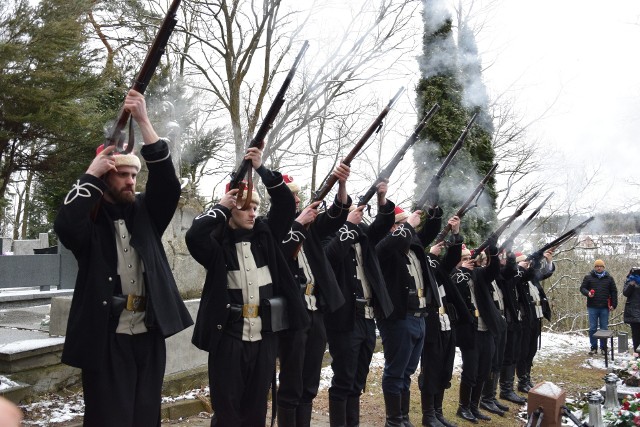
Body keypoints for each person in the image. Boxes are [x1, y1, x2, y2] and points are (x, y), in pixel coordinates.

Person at [54, 89, 193, 426]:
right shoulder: (91, 217)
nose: (132, 181)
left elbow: (168, 186)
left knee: (146, 418)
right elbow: (67, 226)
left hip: (148, 335)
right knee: (108, 418)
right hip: (106, 339)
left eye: (134, 175)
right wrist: (91, 174)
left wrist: (144, 120)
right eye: (123, 175)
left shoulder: (146, 211)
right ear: (105, 178)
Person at [186, 147, 309, 427]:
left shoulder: (267, 237)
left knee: (256, 411)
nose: (253, 213)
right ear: (232, 210)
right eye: (246, 208)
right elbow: (194, 236)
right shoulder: (217, 247)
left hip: (264, 338)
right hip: (228, 338)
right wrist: (221, 206)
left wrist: (262, 169)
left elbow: (285, 205)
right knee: (227, 412)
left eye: (255, 208)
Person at [276, 170, 350, 427]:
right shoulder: (270, 227)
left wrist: (341, 184)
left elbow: (338, 215)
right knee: (291, 383)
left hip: (316, 309)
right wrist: (297, 225)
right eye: (291, 197)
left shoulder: (311, 228)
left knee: (309, 383)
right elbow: (278, 258)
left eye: (297, 197)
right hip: (292, 313)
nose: (297, 202)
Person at [323, 182, 395, 427]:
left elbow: (384, 225)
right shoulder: (329, 235)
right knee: (343, 380)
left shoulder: (362, 235)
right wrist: (348, 226)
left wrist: (382, 198)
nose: (356, 215)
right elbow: (330, 257)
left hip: (367, 317)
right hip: (344, 319)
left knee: (357, 381)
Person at [375, 205, 440, 427]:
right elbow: (389, 244)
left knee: (407, 372)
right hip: (399, 318)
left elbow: (429, 233)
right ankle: (394, 422)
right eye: (403, 225)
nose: (409, 230)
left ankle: (403, 418)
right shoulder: (384, 246)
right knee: (395, 372)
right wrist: (408, 227)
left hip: (419, 315)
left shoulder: (413, 246)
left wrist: (435, 214)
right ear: (393, 226)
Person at [450, 240, 505, 424]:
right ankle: (463, 407)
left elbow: (494, 271)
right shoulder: (455, 275)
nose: (468, 261)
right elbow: (454, 288)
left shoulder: (480, 274)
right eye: (464, 259)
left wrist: (494, 251)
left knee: (484, 370)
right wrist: (463, 270)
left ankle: (474, 406)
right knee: (470, 371)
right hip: (469, 331)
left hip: (486, 328)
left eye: (469, 258)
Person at [514, 251, 554, 393]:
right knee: (523, 350)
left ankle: (527, 377)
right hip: (525, 318)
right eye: (524, 262)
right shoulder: (519, 277)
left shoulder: (532, 277)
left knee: (532, 349)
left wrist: (548, 261)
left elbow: (545, 273)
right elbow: (525, 274)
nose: (527, 264)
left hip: (536, 316)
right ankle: (522, 380)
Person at [580, 259, 618, 355]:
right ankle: (593, 347)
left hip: (605, 307)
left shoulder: (609, 278)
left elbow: (614, 292)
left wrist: (614, 304)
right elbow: (582, 288)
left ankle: (603, 347)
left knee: (604, 328)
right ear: (594, 267)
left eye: (600, 266)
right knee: (592, 328)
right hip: (592, 307)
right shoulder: (588, 277)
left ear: (603, 267)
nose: (599, 268)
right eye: (597, 266)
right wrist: (588, 293)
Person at [623, 268, 640, 353]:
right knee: (636, 334)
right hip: (633, 311)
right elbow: (625, 293)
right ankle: (637, 353)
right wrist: (631, 284)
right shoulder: (629, 280)